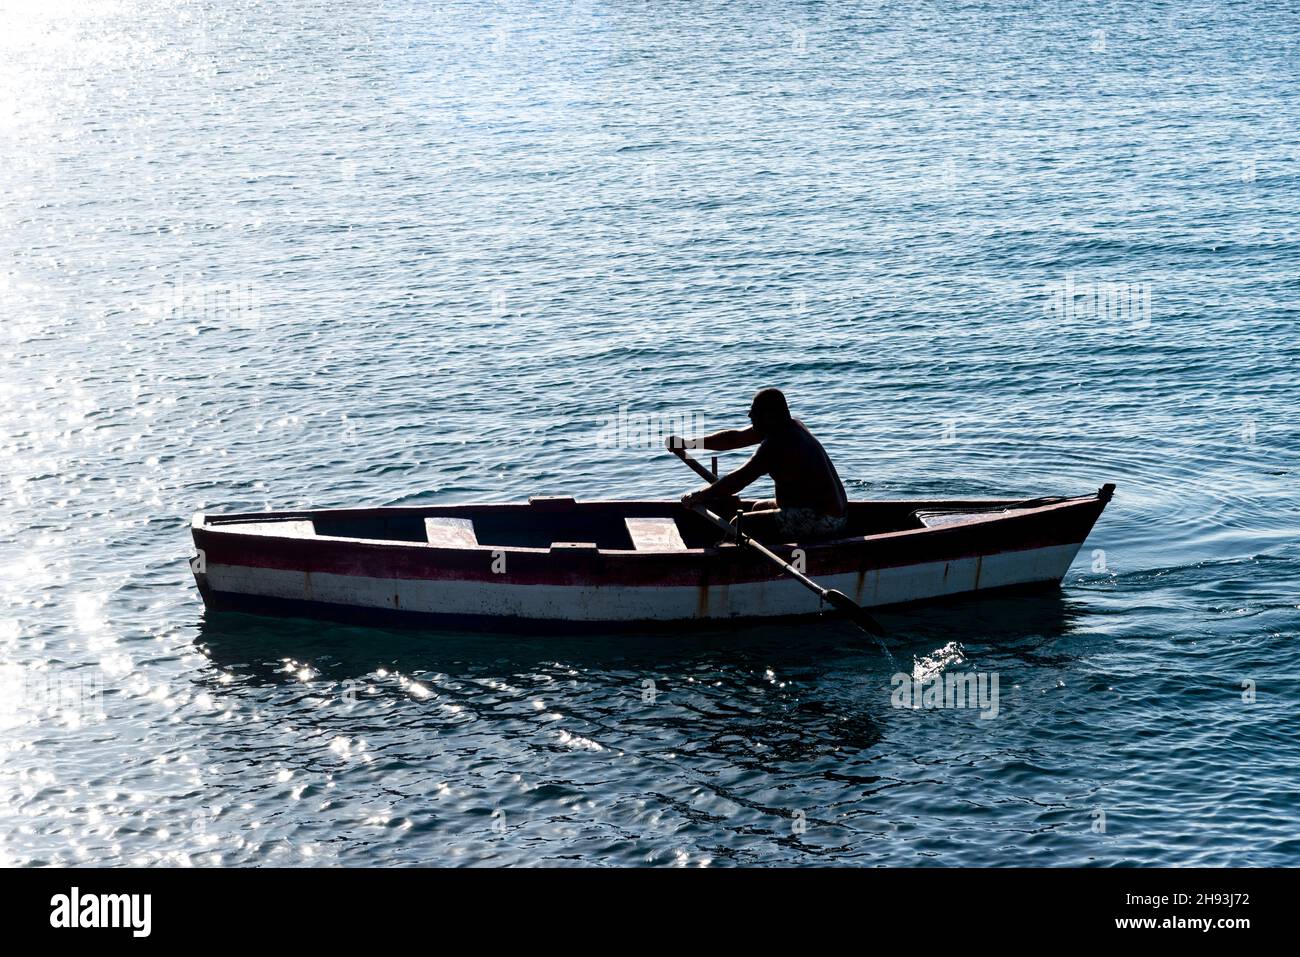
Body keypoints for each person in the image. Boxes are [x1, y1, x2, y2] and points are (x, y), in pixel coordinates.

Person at [665, 388, 849, 542]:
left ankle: (727, 570)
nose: (749, 415)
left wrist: (698, 495)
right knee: (757, 509)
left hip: (825, 521)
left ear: (771, 415)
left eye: (756, 412)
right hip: (821, 513)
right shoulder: (787, 427)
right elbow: (732, 439)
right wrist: (687, 443)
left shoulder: (779, 443)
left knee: (740, 524)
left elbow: (738, 480)